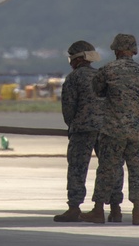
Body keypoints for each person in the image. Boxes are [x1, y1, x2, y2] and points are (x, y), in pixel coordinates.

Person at [82, 33, 139, 226]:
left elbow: (98, 91)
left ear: (116, 50)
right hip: (136, 131)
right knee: (136, 172)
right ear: (133, 51)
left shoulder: (107, 70)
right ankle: (137, 212)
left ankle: (98, 210)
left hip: (113, 130)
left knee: (107, 170)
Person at [53, 41, 125, 223]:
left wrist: (73, 125)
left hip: (83, 129)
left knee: (78, 168)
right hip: (106, 129)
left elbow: (68, 109)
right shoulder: (102, 76)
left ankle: (74, 208)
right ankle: (115, 209)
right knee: (111, 167)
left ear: (76, 60)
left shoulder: (74, 78)